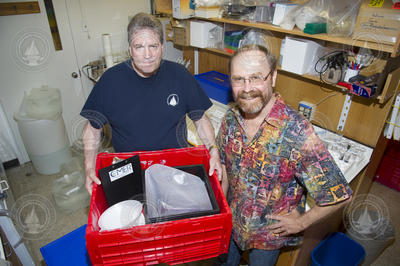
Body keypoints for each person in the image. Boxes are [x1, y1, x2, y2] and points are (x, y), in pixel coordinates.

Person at [216, 44, 352, 266]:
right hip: (230, 225)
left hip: (268, 237)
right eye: (238, 79)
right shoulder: (230, 119)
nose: (247, 88)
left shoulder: (296, 132)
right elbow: (223, 166)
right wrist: (220, 209)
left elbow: (340, 195)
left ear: (273, 77)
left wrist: (301, 223)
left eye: (256, 77)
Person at [81, 13, 222, 194]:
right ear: (130, 49)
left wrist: (213, 150)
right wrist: (89, 168)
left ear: (162, 47)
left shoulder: (180, 75)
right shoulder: (110, 81)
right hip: (130, 171)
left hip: (174, 168)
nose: (147, 55)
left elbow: (200, 119)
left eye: (153, 46)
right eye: (139, 46)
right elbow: (92, 129)